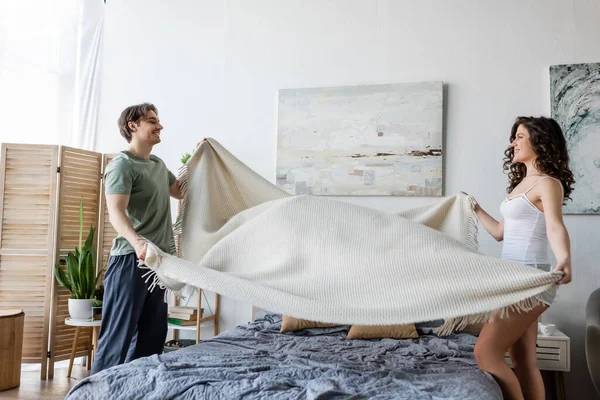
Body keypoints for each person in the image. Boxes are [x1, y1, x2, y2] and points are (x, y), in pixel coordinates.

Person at [464, 116, 575, 400]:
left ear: (540, 141)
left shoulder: (547, 183)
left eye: (520, 137)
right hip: (512, 278)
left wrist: (564, 258)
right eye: (514, 137)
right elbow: (501, 233)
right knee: (524, 360)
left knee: (485, 354)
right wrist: (475, 208)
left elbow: (554, 225)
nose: (513, 143)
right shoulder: (520, 185)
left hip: (529, 280)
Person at [92, 103, 183, 374]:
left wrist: (202, 157)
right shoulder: (122, 164)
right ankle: (95, 393)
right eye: (152, 121)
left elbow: (180, 191)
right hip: (131, 261)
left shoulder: (157, 164)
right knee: (117, 338)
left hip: (158, 264)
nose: (160, 126)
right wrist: (138, 243)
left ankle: (137, 389)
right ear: (133, 125)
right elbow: (116, 214)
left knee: (153, 337)